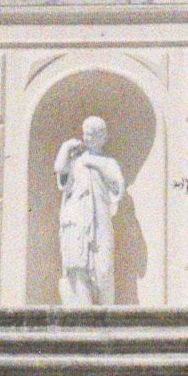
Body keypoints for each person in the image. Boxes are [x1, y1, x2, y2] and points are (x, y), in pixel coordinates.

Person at [55, 117, 126, 306]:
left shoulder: (108, 162)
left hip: (100, 219)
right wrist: (65, 148)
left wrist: (93, 163)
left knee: (103, 267)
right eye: (86, 133)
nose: (89, 138)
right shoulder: (76, 161)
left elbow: (117, 183)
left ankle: (107, 314)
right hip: (77, 219)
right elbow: (60, 169)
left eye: (94, 134)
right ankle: (82, 309)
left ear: (103, 137)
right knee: (78, 266)